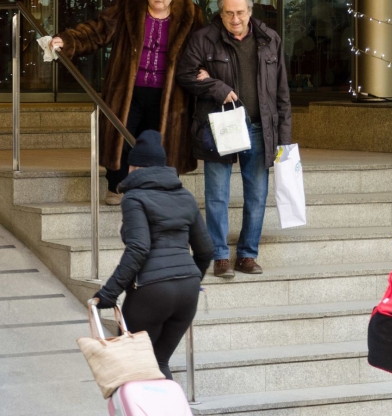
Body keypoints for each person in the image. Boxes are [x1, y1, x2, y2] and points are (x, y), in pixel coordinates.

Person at [176, 0, 292, 277]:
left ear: (250, 12)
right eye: (229, 13)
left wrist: (284, 139)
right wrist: (216, 87)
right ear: (221, 12)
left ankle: (247, 255)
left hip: (260, 128)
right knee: (217, 195)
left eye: (240, 12)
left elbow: (282, 93)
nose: (235, 19)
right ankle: (219, 256)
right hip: (220, 126)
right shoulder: (204, 39)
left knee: (257, 195)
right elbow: (184, 74)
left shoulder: (269, 39)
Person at [50, 0, 202, 205]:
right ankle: (116, 186)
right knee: (120, 138)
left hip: (170, 94)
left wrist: (207, 69)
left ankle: (155, 188)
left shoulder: (191, 14)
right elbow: (97, 30)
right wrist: (68, 40)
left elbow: (203, 46)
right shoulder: (128, 7)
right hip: (127, 90)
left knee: (159, 142)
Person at [92, 130, 214, 379]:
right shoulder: (185, 196)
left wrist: (109, 293)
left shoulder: (134, 197)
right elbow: (206, 250)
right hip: (188, 291)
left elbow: (138, 248)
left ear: (135, 167)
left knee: (133, 367)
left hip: (151, 292)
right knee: (159, 362)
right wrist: (189, 279)